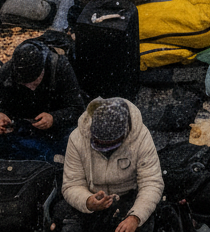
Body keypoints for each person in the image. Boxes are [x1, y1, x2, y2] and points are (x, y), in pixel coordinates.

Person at [59, 97, 164, 232]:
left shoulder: (141, 137)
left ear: (124, 134)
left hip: (129, 197)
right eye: (98, 143)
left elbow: (151, 182)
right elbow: (71, 185)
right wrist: (87, 201)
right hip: (90, 199)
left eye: (110, 145)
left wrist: (135, 216)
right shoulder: (76, 138)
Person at [0, 39, 87, 161]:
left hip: (58, 129)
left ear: (43, 70)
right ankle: (48, 158)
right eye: (25, 83)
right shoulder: (6, 73)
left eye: (34, 81)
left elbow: (78, 109)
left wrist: (54, 118)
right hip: (23, 128)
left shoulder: (60, 67)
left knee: (77, 140)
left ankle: (47, 158)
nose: (30, 87)